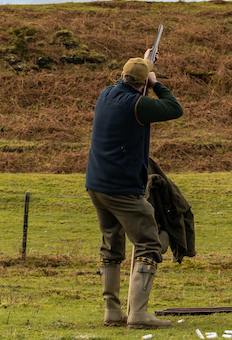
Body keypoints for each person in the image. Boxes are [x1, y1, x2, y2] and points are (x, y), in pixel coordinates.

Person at [85, 48, 183, 329]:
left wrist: (145, 63)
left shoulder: (105, 94)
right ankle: (138, 314)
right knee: (149, 244)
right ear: (143, 84)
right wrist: (156, 81)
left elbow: (130, 92)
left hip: (96, 185)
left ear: (121, 75)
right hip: (122, 188)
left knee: (111, 243)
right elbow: (175, 108)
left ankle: (112, 312)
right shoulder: (138, 105)